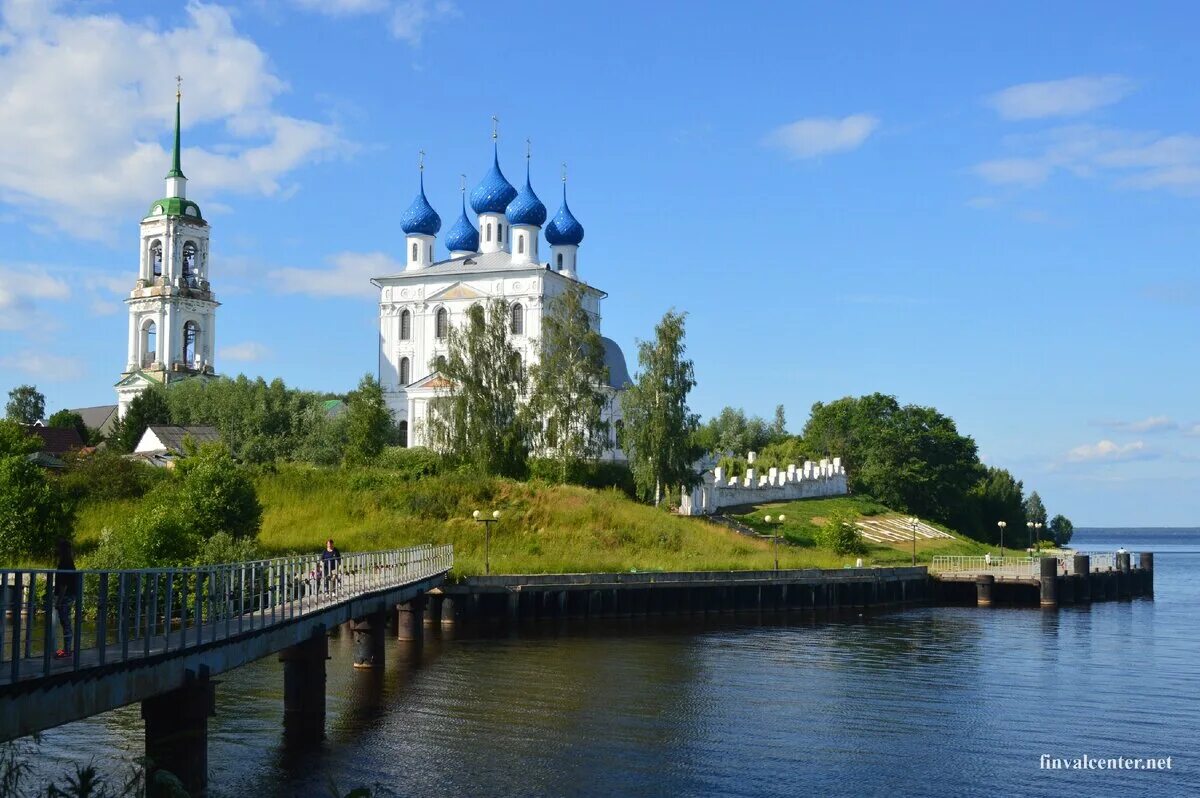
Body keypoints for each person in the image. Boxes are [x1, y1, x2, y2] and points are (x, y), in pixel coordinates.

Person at [53, 538, 77, 659]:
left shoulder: (64, 564)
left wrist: (59, 601)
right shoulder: (71, 563)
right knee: (66, 622)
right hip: (71, 595)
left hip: (65, 596)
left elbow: (64, 585)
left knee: (65, 622)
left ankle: (67, 651)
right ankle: (67, 650)